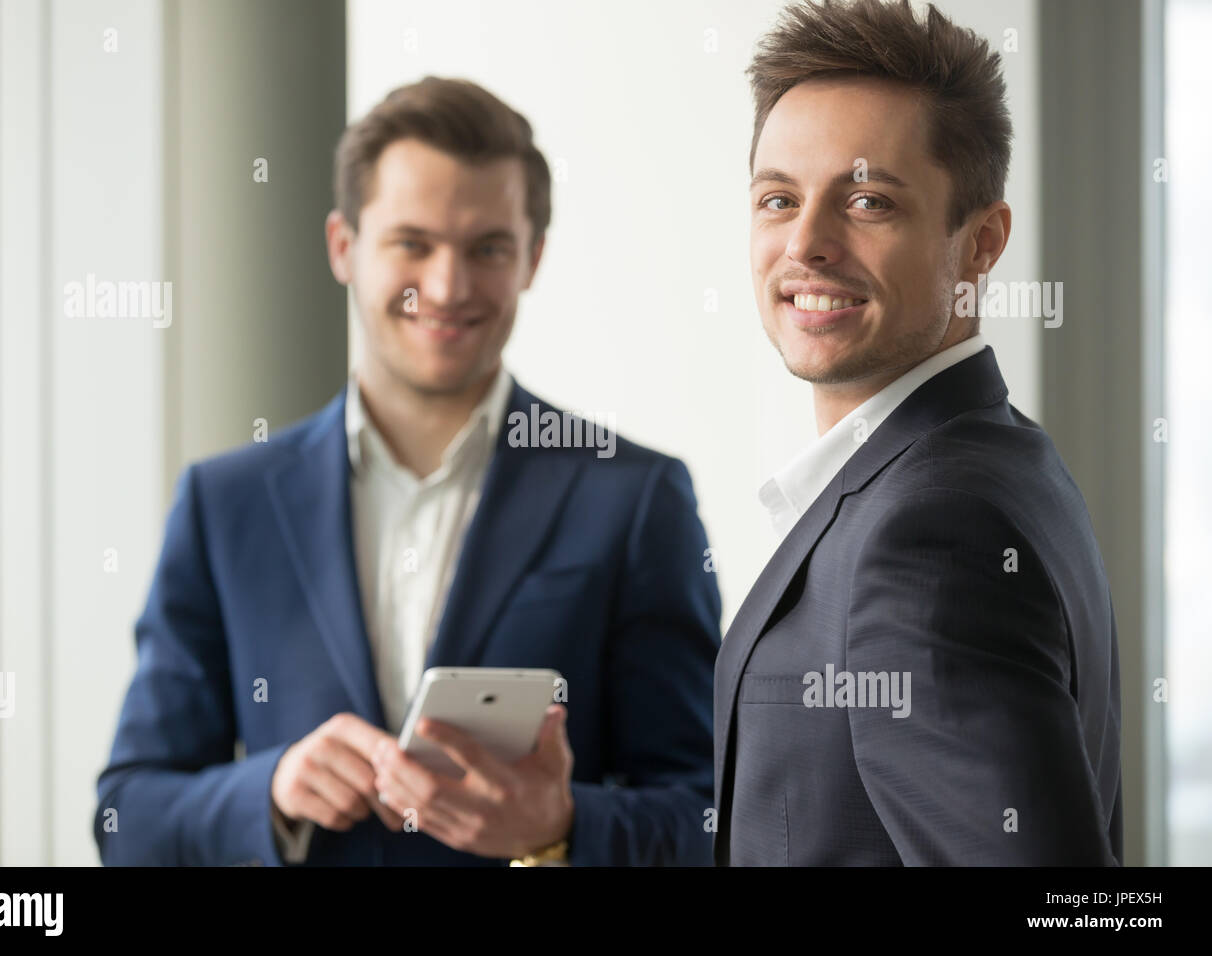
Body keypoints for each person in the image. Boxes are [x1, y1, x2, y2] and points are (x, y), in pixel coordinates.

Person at [95, 76, 720, 866]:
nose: (449, 285)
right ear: (343, 247)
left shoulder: (633, 498)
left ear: (532, 258)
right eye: (412, 242)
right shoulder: (226, 506)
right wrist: (273, 791)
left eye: (488, 247)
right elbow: (129, 816)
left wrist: (559, 828)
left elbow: (712, 816)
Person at [714, 0, 1122, 865]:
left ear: (981, 242)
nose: (807, 244)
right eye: (779, 199)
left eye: (867, 201)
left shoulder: (931, 534)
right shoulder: (997, 455)